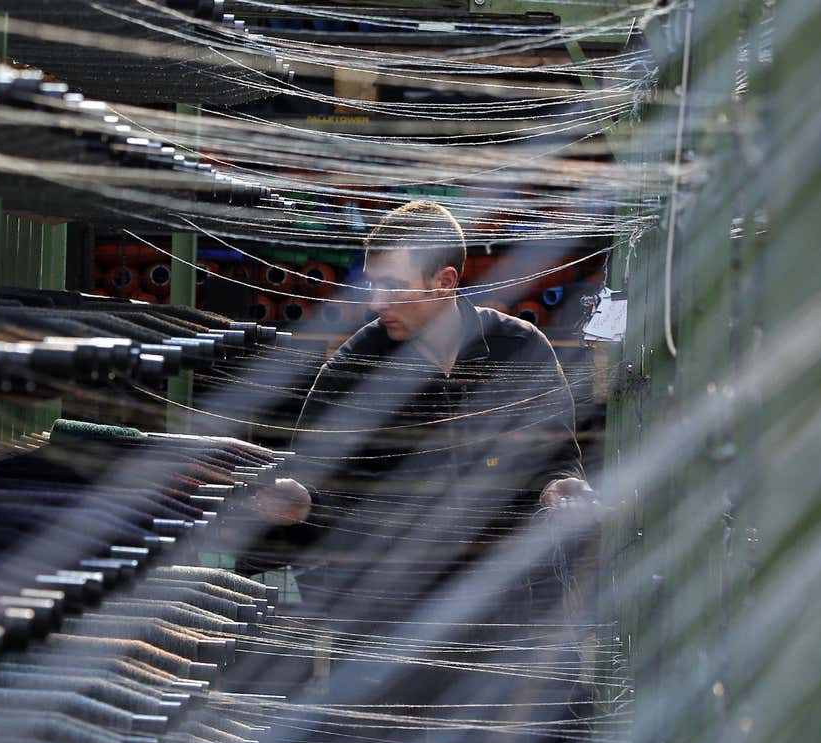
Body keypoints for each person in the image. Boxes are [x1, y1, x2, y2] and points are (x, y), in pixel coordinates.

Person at [248, 198, 593, 611]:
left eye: (393, 286)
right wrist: (302, 500)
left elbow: (554, 456)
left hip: (506, 601)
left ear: (444, 280)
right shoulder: (356, 366)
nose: (376, 302)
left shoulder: (520, 348)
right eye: (372, 284)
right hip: (390, 615)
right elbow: (316, 478)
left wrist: (559, 487)